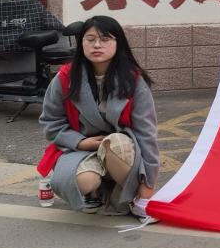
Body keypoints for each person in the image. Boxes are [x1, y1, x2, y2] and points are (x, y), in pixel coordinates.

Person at [36, 16, 159, 217]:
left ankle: (130, 198)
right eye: (90, 39)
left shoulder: (133, 80)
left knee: (116, 143)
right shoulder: (66, 77)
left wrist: (148, 185)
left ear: (118, 43)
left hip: (122, 150)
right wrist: (81, 142)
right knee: (84, 182)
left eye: (105, 39)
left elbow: (147, 133)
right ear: (82, 43)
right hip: (78, 149)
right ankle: (95, 192)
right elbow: (50, 121)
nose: (97, 45)